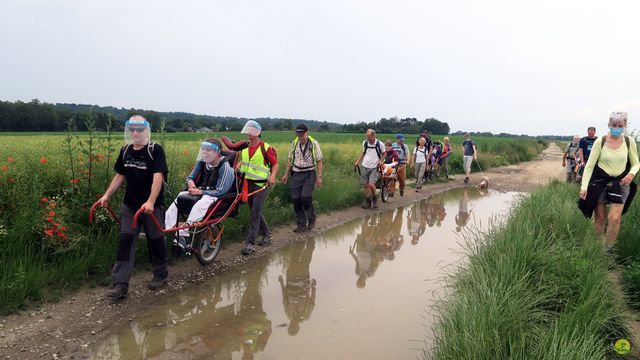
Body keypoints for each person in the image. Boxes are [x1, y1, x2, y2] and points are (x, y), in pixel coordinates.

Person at [97, 115, 169, 300]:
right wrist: (106, 195)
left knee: (155, 239)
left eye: (139, 129)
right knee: (126, 242)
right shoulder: (126, 150)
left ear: (146, 130)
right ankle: (120, 285)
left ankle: (160, 274)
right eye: (132, 129)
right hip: (130, 206)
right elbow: (120, 175)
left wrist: (151, 201)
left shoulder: (155, 150)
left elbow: (158, 177)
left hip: (150, 206)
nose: (135, 133)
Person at [578, 112, 639, 251]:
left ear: (625, 126)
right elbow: (589, 166)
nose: (617, 128)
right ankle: (598, 249)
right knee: (600, 218)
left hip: (621, 184)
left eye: (620, 125)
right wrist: (584, 187)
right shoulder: (601, 141)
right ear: (609, 125)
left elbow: (636, 164)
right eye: (614, 125)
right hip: (600, 183)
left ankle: (609, 249)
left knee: (614, 218)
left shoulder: (629, 142)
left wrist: (631, 173)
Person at [164, 139, 235, 249]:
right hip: (200, 191)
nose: (205, 152)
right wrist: (191, 184)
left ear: (217, 153)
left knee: (202, 203)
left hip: (214, 195)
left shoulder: (225, 167)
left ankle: (183, 235)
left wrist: (200, 192)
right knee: (180, 197)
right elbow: (190, 177)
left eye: (209, 150)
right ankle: (164, 229)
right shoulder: (202, 161)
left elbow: (221, 191)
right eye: (204, 149)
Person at [237, 120, 278, 255]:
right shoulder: (244, 150)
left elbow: (275, 164)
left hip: (261, 185)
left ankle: (250, 243)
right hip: (247, 185)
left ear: (258, 133)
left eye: (252, 131)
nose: (249, 133)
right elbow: (243, 164)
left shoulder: (266, 148)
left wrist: (272, 176)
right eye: (248, 130)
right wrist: (238, 167)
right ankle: (267, 234)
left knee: (255, 213)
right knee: (256, 212)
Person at [281, 124, 323, 233]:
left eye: (302, 135)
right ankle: (301, 224)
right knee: (296, 199)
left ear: (307, 133)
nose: (300, 137)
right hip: (296, 173)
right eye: (298, 135)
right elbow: (290, 159)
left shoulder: (313, 143)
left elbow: (319, 160)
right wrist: (286, 174)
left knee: (305, 197)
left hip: (309, 173)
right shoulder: (294, 143)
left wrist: (319, 177)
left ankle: (311, 218)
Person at [354, 129, 386, 209]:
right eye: (367, 138)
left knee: (371, 184)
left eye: (370, 138)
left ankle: (374, 198)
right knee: (365, 185)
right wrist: (358, 161)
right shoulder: (365, 143)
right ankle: (368, 201)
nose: (368, 140)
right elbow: (363, 153)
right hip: (365, 165)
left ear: (374, 136)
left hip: (374, 167)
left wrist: (381, 161)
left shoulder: (380, 144)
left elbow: (385, 153)